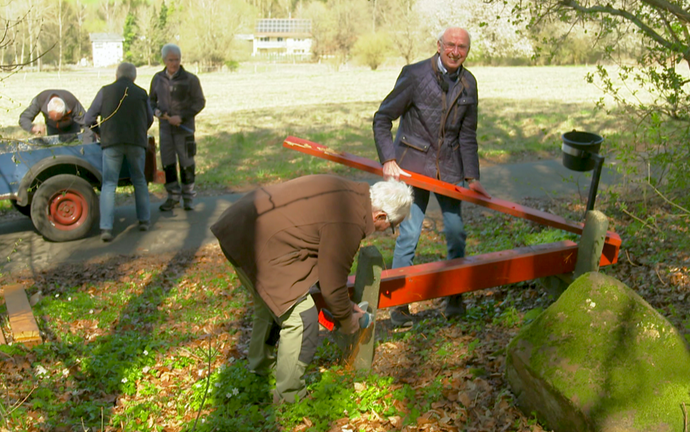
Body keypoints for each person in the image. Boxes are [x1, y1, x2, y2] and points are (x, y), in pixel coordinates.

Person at [211, 175, 413, 403]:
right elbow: (332, 287)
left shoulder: (351, 193)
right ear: (381, 216)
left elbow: (323, 264)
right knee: (301, 317)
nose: (388, 231)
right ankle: (290, 396)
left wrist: (344, 307)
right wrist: (347, 321)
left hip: (240, 226)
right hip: (255, 240)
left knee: (270, 306)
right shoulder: (350, 220)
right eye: (392, 227)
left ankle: (260, 368)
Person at [373, 27, 491, 327]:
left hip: (449, 171)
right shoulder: (414, 75)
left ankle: (454, 300)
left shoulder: (468, 83)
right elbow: (382, 118)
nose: (455, 51)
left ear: (467, 50)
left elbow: (467, 134)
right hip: (411, 166)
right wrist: (388, 159)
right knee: (409, 236)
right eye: (450, 45)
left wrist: (472, 177)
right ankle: (399, 307)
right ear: (438, 46)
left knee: (456, 234)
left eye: (461, 47)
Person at [84, 63, 153, 242]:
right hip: (136, 143)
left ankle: (106, 228)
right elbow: (150, 118)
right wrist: (140, 131)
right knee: (139, 180)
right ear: (134, 77)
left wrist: (100, 133)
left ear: (116, 75)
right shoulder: (141, 93)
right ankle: (144, 220)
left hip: (111, 143)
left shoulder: (105, 91)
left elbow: (89, 118)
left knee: (108, 184)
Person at [149, 43, 206, 212]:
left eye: (177, 59)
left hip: (185, 129)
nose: (174, 63)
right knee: (168, 164)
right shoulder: (158, 79)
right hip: (165, 130)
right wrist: (157, 112)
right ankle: (172, 196)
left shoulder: (190, 79)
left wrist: (181, 117)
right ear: (164, 60)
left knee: (187, 163)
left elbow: (200, 102)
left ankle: (188, 198)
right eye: (171, 60)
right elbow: (150, 101)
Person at [19, 89, 86, 136]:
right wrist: (32, 128)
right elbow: (24, 118)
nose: (56, 120)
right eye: (51, 117)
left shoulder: (71, 101)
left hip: (72, 130)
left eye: (59, 118)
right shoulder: (41, 99)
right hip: (52, 130)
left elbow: (86, 122)